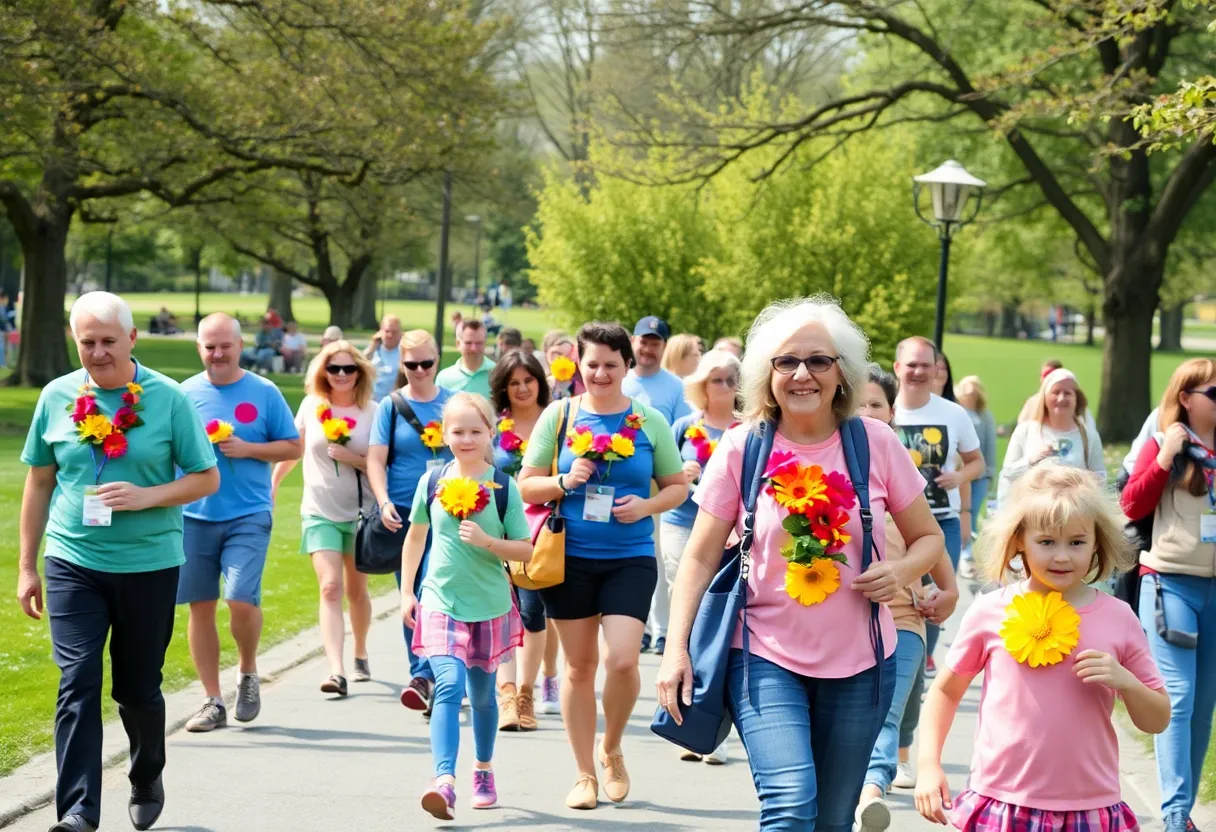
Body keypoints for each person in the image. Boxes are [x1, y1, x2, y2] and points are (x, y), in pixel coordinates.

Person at [656, 297, 943, 830]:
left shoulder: (875, 442)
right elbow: (698, 556)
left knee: (833, 820)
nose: (801, 374)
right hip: (761, 653)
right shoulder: (744, 447)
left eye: (818, 361)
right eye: (786, 362)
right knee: (789, 805)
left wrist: (902, 572)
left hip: (862, 661)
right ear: (767, 376)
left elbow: (928, 538)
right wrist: (675, 651)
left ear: (842, 374)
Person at [17, 291, 220, 832]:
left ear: (132, 338)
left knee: (138, 688)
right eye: (88, 342)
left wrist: (147, 496)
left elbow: (207, 476)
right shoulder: (56, 395)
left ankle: (146, 771)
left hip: (149, 564)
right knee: (77, 679)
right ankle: (78, 812)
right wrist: (27, 565)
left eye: (109, 340)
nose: (99, 352)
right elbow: (39, 481)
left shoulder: (169, 399)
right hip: (72, 558)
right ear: (74, 341)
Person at [916, 463, 1169, 829]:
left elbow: (1157, 719)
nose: (1062, 556)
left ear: (1097, 541)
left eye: (1077, 542)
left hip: (1090, 807)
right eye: (1047, 542)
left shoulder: (1119, 618)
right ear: (1020, 540)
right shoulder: (991, 610)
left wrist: (1126, 681)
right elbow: (945, 692)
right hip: (1003, 801)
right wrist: (928, 765)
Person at [518, 322, 688, 810]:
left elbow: (677, 485)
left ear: (627, 366)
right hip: (568, 557)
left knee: (622, 659)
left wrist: (647, 506)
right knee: (579, 667)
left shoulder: (648, 420)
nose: (600, 373)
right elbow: (526, 486)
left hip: (629, 557)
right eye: (591, 364)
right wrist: (564, 481)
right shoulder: (561, 414)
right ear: (578, 363)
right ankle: (583, 773)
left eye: (611, 365)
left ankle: (611, 746)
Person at [402, 394, 534, 820]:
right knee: (448, 685)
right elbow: (415, 539)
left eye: (475, 431)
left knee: (481, 697)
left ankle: (483, 769)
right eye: (457, 431)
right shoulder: (432, 482)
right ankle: (444, 781)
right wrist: (408, 592)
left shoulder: (504, 487)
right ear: (444, 433)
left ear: (490, 434)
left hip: (490, 605)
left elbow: (526, 550)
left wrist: (489, 542)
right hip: (440, 599)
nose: (466, 438)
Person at [178, 315, 302, 733]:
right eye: (209, 346)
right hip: (193, 515)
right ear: (198, 348)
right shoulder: (183, 395)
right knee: (200, 606)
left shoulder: (263, 392)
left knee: (241, 598)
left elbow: (293, 446)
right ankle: (212, 700)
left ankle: (247, 672)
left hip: (248, 513)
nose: (217, 354)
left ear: (239, 344)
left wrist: (247, 448)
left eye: (224, 346)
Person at [855, 364, 958, 829]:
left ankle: (869, 793)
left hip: (903, 618)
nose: (865, 411)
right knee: (899, 708)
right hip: (842, 623)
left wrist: (948, 592)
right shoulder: (824, 464)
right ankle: (870, 775)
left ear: (892, 412)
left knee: (889, 709)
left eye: (875, 403)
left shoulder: (904, 476)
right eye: (856, 402)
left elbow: (929, 538)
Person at [1121, 358, 1216, 832]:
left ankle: (1183, 810)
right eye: (1213, 394)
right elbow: (1131, 503)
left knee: (1204, 705)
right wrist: (1162, 460)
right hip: (1170, 584)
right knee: (1177, 697)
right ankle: (1176, 815)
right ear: (1186, 399)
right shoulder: (1164, 443)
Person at [272, 341, 377, 697]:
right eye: (335, 369)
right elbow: (296, 449)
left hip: (362, 515)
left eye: (350, 369)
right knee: (330, 587)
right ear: (323, 373)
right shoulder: (311, 407)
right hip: (319, 510)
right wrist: (274, 483)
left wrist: (354, 458)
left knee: (357, 591)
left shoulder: (374, 412)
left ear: (360, 373)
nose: (342, 375)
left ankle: (360, 649)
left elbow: (381, 465)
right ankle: (337, 669)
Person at [366, 330, 454, 715]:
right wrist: (383, 500)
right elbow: (375, 458)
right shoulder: (391, 405)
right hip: (405, 511)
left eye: (426, 363)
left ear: (438, 360)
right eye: (411, 364)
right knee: (413, 593)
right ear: (401, 364)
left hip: (451, 510)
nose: (419, 370)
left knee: (445, 593)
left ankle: (444, 672)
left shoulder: (454, 403)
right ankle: (422, 675)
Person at [663, 348, 741, 765]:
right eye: (718, 380)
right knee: (688, 617)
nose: (726, 387)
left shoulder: (748, 430)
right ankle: (692, 720)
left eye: (732, 379)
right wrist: (683, 473)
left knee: (718, 620)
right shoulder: (684, 426)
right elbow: (665, 475)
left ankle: (717, 725)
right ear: (702, 384)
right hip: (683, 525)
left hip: (729, 535)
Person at [893, 335, 984, 666]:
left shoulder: (953, 414)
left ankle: (923, 659)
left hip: (940, 518)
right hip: (894, 522)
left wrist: (959, 478)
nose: (918, 372)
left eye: (925, 365)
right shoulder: (885, 409)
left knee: (935, 595)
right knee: (897, 594)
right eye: (912, 365)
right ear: (897, 367)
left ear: (936, 370)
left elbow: (977, 462)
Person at [488, 351, 562, 729]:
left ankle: (527, 692)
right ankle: (506, 696)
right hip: (496, 528)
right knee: (501, 610)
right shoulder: (492, 427)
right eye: (513, 382)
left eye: (528, 381)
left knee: (534, 614)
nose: (521, 389)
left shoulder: (558, 424)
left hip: (541, 533)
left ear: (539, 383)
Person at [622, 316, 692, 655]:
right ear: (633, 341)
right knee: (632, 556)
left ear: (663, 347)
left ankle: (662, 629)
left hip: (658, 486)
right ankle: (641, 627)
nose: (648, 348)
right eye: (643, 341)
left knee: (659, 559)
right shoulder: (620, 381)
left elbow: (684, 434)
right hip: (619, 484)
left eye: (655, 343)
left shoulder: (674, 387)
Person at [998, 368, 1105, 504]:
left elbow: (1100, 478)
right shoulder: (1025, 431)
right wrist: (1032, 460)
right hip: (1032, 513)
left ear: (1076, 398)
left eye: (1068, 393)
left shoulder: (1089, 436)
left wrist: (1077, 478)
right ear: (1045, 397)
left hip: (1074, 514)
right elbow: (1008, 473)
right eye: (1055, 392)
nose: (1061, 398)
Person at [954, 375, 997, 579]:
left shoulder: (984, 415)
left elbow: (989, 445)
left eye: (973, 392)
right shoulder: (955, 412)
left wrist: (990, 473)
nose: (969, 396)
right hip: (960, 472)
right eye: (966, 392)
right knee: (961, 511)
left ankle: (967, 553)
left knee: (970, 512)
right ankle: (963, 552)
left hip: (980, 474)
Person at [436, 319, 495, 398]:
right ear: (458, 344)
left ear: (485, 343)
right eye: (468, 343)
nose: (474, 348)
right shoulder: (444, 378)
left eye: (479, 343)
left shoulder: (498, 373)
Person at [364, 314, 403, 403]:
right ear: (380, 331)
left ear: (401, 333)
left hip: (394, 400)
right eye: (387, 331)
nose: (390, 335)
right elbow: (359, 364)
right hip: (370, 399)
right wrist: (373, 345)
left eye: (394, 332)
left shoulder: (404, 352)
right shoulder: (373, 349)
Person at [544, 332, 584, 399]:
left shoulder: (580, 383)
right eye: (559, 354)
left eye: (570, 355)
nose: (565, 360)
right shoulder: (547, 383)